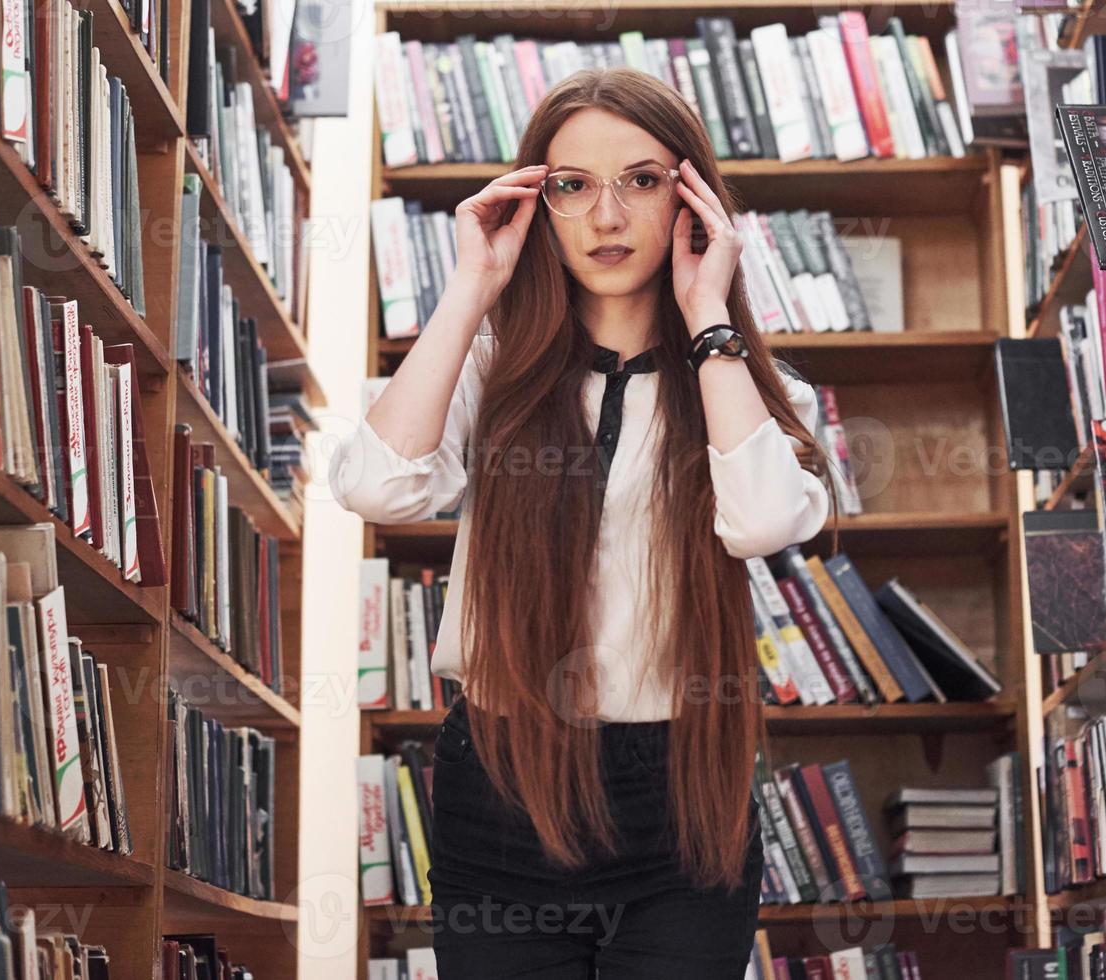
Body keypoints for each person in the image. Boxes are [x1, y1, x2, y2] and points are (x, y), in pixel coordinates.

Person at [330, 66, 834, 978]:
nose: (606, 218)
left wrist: (709, 318)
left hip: (683, 793)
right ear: (536, 201)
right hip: (503, 782)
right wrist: (472, 288)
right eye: (572, 186)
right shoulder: (486, 373)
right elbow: (376, 488)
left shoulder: (755, 393)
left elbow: (760, 523)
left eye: (641, 181)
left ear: (692, 201)